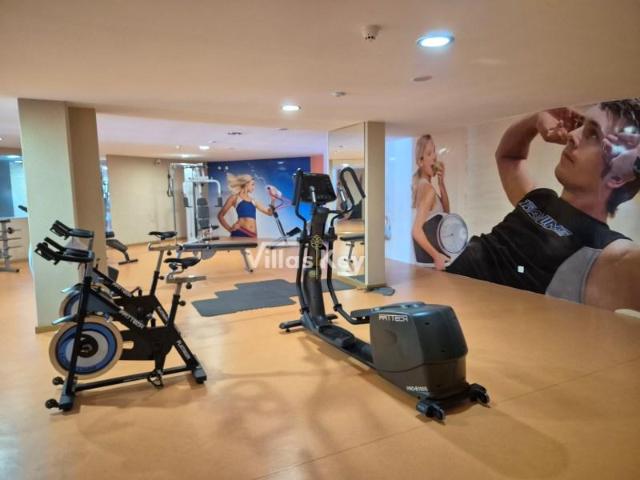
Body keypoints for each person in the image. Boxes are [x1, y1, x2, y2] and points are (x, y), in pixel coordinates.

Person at [446, 99, 640, 311]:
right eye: (580, 126)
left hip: (465, 323)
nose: (572, 136)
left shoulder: (608, 252)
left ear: (619, 175)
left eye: (593, 134)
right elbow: (508, 156)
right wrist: (535, 120)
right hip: (438, 295)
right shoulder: (540, 198)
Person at [411, 134, 451, 270]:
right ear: (420, 161)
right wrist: (436, 256)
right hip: (431, 265)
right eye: (429, 153)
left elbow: (446, 215)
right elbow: (416, 231)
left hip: (428, 264)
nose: (434, 157)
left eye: (434, 152)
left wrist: (441, 183)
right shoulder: (428, 189)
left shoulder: (424, 186)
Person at [217, 173, 274, 238]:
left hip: (253, 235)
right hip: (240, 232)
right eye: (252, 184)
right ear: (246, 184)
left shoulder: (253, 201)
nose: (254, 187)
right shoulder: (235, 198)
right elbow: (220, 215)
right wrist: (230, 229)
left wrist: (273, 200)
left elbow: (269, 213)